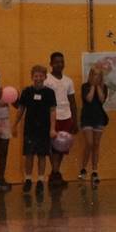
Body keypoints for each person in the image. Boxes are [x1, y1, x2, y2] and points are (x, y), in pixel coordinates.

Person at [10, 64, 58, 195]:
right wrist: (14, 125)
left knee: (42, 155)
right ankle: (28, 179)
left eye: (40, 76)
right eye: (35, 76)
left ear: (45, 77)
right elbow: (21, 110)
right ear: (32, 77)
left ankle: (41, 180)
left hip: (44, 129)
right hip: (30, 129)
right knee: (29, 154)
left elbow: (53, 111)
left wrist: (52, 129)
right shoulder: (27, 92)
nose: (38, 78)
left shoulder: (49, 93)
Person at [42, 52, 78, 187]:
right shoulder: (47, 80)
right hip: (52, 117)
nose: (59, 64)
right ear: (51, 64)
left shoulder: (68, 81)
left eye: (61, 62)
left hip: (66, 117)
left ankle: (55, 173)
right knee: (53, 147)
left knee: (62, 147)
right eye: (56, 62)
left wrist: (75, 121)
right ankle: (56, 173)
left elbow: (73, 102)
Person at [76, 63, 111, 184]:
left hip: (99, 117)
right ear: (91, 75)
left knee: (96, 144)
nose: (96, 77)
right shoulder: (85, 86)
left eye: (98, 75)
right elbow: (89, 99)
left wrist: (98, 87)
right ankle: (83, 168)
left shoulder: (104, 87)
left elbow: (101, 100)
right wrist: (92, 86)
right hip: (87, 118)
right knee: (89, 143)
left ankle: (95, 170)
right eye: (94, 74)